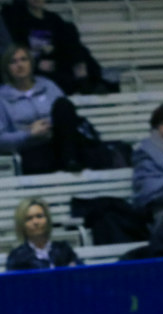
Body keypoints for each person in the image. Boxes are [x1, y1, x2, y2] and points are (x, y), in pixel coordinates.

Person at [0, 44, 116, 174]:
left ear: (31, 63)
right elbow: (1, 139)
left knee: (63, 104)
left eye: (23, 59)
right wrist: (28, 134)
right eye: (13, 62)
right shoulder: (2, 98)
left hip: (60, 141)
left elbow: (65, 114)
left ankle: (71, 160)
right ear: (6, 68)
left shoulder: (47, 85)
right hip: (31, 149)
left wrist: (48, 126)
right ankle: (70, 162)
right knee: (38, 162)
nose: (19, 65)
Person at [1, 0, 117, 95]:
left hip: (55, 63)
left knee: (70, 32)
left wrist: (75, 61)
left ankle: (83, 75)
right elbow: (14, 49)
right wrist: (36, 62)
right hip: (33, 66)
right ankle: (85, 82)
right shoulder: (17, 18)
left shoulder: (53, 19)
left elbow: (67, 47)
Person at [6, 196, 82, 270]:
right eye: (29, 218)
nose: (35, 222)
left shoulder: (63, 249)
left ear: (47, 219)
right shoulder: (17, 257)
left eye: (39, 216)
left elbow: (81, 272)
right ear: (22, 225)